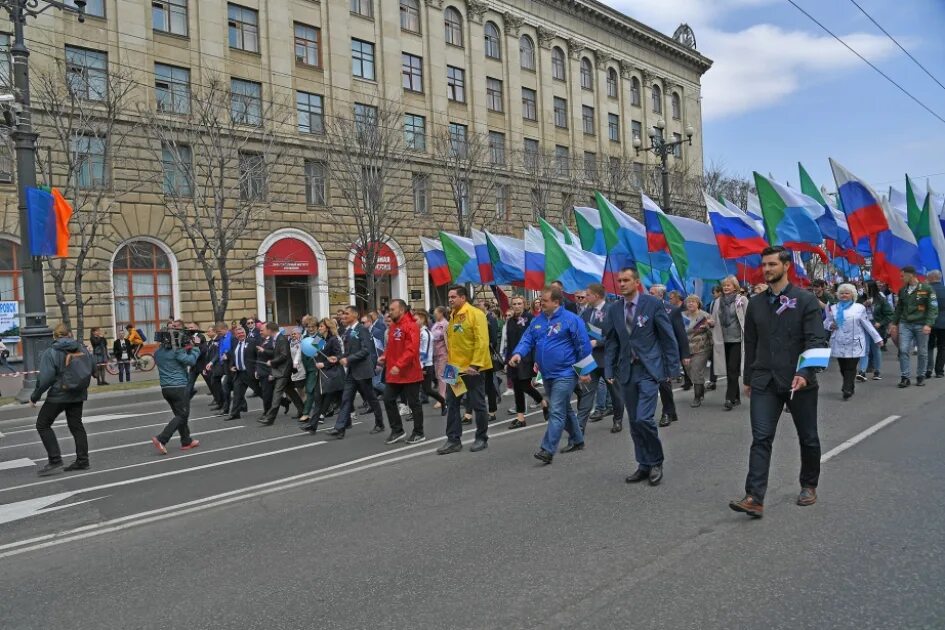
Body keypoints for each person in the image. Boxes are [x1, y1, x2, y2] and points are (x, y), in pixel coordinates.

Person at [729, 246, 827, 519]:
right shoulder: (756, 303)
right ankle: (754, 497)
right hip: (764, 381)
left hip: (799, 382)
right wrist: (748, 378)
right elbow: (751, 342)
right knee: (761, 438)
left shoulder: (805, 300)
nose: (767, 269)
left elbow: (817, 340)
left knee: (808, 437)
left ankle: (809, 484)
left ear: (786, 266)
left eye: (772, 264)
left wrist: (806, 373)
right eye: (764, 265)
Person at [604, 268, 680, 486]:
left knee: (644, 418)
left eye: (626, 280)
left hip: (649, 369)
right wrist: (609, 368)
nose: (622, 284)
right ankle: (643, 464)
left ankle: (656, 461)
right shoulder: (615, 309)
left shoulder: (652, 304)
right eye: (619, 281)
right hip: (627, 371)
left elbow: (667, 337)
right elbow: (612, 341)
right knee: (634, 422)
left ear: (636, 282)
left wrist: (672, 368)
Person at [509, 286, 592, 464]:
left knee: (555, 409)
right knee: (566, 409)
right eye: (540, 299)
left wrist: (584, 371)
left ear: (556, 302)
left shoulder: (571, 320)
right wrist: (518, 353)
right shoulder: (538, 320)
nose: (540, 303)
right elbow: (528, 339)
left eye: (544, 300)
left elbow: (583, 345)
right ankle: (578, 440)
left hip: (566, 373)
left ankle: (547, 449)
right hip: (547, 374)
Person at [31, 323, 93, 476]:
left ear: (55, 336)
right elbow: (93, 366)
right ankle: (83, 460)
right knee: (76, 425)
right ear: (70, 334)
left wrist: (35, 396)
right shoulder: (82, 348)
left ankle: (55, 460)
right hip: (78, 392)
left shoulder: (51, 352)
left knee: (42, 424)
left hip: (59, 394)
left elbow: (46, 378)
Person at [437, 285, 492, 455]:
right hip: (454, 368)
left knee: (478, 403)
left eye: (453, 297)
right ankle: (453, 439)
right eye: (449, 297)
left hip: (471, 368)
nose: (450, 300)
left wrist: (475, 365)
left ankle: (481, 437)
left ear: (463, 297)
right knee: (452, 402)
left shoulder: (476, 314)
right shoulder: (453, 315)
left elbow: (482, 341)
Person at [329, 306, 385, 438]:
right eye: (343, 314)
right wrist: (337, 358)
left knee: (371, 398)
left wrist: (348, 359)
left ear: (355, 315)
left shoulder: (362, 330)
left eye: (346, 314)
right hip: (352, 372)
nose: (343, 316)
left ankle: (380, 423)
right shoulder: (348, 332)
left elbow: (366, 350)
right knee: (346, 399)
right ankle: (340, 428)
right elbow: (348, 352)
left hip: (363, 371)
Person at [576, 283, 623, 435]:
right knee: (587, 392)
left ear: (596, 296)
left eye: (587, 295)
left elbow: (619, 335)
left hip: (608, 357)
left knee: (614, 391)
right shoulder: (586, 312)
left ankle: (617, 419)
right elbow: (581, 331)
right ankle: (579, 427)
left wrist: (599, 341)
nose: (585, 297)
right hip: (589, 359)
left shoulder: (613, 309)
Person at [378, 300, 426, 445]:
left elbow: (412, 349)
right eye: (389, 309)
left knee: (413, 403)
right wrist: (384, 357)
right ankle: (397, 430)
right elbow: (391, 347)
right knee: (388, 399)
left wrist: (399, 365)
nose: (389, 312)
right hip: (395, 373)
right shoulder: (393, 326)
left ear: (401, 310)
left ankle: (419, 432)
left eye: (392, 309)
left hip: (410, 372)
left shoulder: (411, 326)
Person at [151, 322, 202, 455]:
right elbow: (191, 361)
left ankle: (186, 441)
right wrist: (196, 348)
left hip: (166, 389)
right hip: (179, 387)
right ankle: (161, 438)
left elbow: (175, 356)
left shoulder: (157, 353)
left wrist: (186, 347)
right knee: (182, 415)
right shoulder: (177, 351)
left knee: (179, 414)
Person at [827, 283, 883, 400]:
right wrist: (830, 325)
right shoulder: (833, 308)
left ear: (852, 295)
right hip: (839, 341)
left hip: (855, 342)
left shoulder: (859, 308)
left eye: (847, 293)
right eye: (841, 293)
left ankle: (846, 388)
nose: (844, 295)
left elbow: (867, 324)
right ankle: (850, 385)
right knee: (843, 367)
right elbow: (826, 322)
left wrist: (877, 338)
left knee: (851, 367)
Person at [501, 296, 547, 429]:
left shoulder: (531, 319)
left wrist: (536, 359)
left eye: (519, 303)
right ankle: (520, 417)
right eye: (514, 304)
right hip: (512, 358)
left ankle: (543, 402)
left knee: (525, 385)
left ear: (524, 304)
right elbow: (508, 342)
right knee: (517, 387)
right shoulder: (509, 321)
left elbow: (535, 340)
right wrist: (506, 360)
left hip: (526, 357)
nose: (517, 306)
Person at [889, 265, 938, 388]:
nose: (900, 278)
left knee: (922, 351)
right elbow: (899, 308)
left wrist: (929, 324)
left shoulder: (927, 289)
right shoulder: (902, 290)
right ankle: (905, 377)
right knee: (903, 349)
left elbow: (933, 308)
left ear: (910, 275)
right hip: (905, 324)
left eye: (902, 275)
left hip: (921, 324)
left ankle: (920, 376)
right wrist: (894, 323)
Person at [651, 286, 690, 427]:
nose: (648, 295)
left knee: (664, 383)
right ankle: (671, 411)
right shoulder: (644, 310)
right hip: (650, 353)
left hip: (666, 353)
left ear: (660, 295)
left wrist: (685, 354)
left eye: (652, 293)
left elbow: (680, 333)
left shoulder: (672, 311)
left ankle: (666, 412)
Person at [710, 275, 748, 411]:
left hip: (737, 339)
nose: (726, 287)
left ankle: (729, 398)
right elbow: (714, 318)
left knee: (733, 368)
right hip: (722, 339)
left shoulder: (741, 300)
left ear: (735, 287)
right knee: (729, 370)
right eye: (724, 285)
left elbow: (747, 318)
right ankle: (736, 397)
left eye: (728, 285)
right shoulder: (717, 302)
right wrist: (710, 323)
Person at [301, 318, 346, 431]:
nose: (319, 328)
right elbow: (313, 352)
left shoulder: (333, 339)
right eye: (319, 326)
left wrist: (324, 364)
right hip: (321, 374)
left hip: (331, 374)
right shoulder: (319, 339)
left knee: (331, 399)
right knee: (318, 399)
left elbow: (338, 356)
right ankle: (313, 424)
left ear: (327, 327)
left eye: (321, 326)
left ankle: (342, 423)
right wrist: (313, 355)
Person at [259, 322, 303, 425]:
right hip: (282, 370)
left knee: (277, 394)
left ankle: (270, 418)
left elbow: (284, 355)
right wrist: (264, 351)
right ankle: (302, 410)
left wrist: (272, 362)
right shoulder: (277, 339)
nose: (263, 331)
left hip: (283, 371)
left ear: (270, 330)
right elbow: (276, 353)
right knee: (291, 392)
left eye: (264, 329)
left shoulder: (281, 339)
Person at [857, 280, 894, 381]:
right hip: (864, 326)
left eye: (866, 287)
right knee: (864, 349)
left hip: (876, 327)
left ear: (871, 287)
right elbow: (855, 311)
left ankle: (877, 371)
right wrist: (864, 304)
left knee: (875, 349)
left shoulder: (880, 299)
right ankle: (862, 371)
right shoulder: (860, 299)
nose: (864, 289)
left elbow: (889, 314)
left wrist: (880, 323)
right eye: (863, 287)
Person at [415, 309, 447, 417]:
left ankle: (443, 401)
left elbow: (426, 351)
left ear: (423, 320)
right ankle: (414, 412)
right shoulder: (417, 332)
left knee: (427, 390)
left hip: (425, 366)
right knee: (413, 390)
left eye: (416, 320)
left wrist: (422, 366)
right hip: (416, 365)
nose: (414, 322)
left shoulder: (426, 334)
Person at [682, 295, 712, 407]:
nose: (690, 304)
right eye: (688, 302)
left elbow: (711, 330)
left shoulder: (704, 316)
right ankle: (701, 387)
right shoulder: (682, 315)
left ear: (698, 303)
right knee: (689, 370)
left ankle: (697, 397)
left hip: (701, 348)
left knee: (696, 370)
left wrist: (714, 346)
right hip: (685, 349)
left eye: (693, 302)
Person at [925, 270, 945, 379]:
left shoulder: (926, 290)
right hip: (943, 323)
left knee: (929, 346)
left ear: (931, 278)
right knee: (942, 347)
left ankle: (928, 369)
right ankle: (939, 371)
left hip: (929, 323)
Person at [431, 306, 450, 406]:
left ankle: (442, 398)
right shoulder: (435, 324)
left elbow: (448, 339)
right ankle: (449, 396)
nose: (434, 315)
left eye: (436, 313)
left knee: (443, 376)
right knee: (439, 376)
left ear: (441, 313)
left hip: (444, 353)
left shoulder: (445, 324)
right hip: (436, 353)